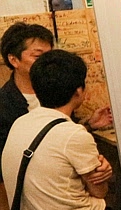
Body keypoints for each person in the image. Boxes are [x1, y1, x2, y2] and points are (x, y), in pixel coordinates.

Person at [1, 50, 112, 210]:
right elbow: (99, 192)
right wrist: (105, 174)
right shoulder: (75, 135)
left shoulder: (21, 123)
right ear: (79, 91)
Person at [0, 21, 112, 153]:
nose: (47, 62)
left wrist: (89, 125)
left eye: (49, 55)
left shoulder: (57, 87)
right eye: (38, 56)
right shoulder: (4, 104)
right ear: (14, 60)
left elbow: (60, 134)